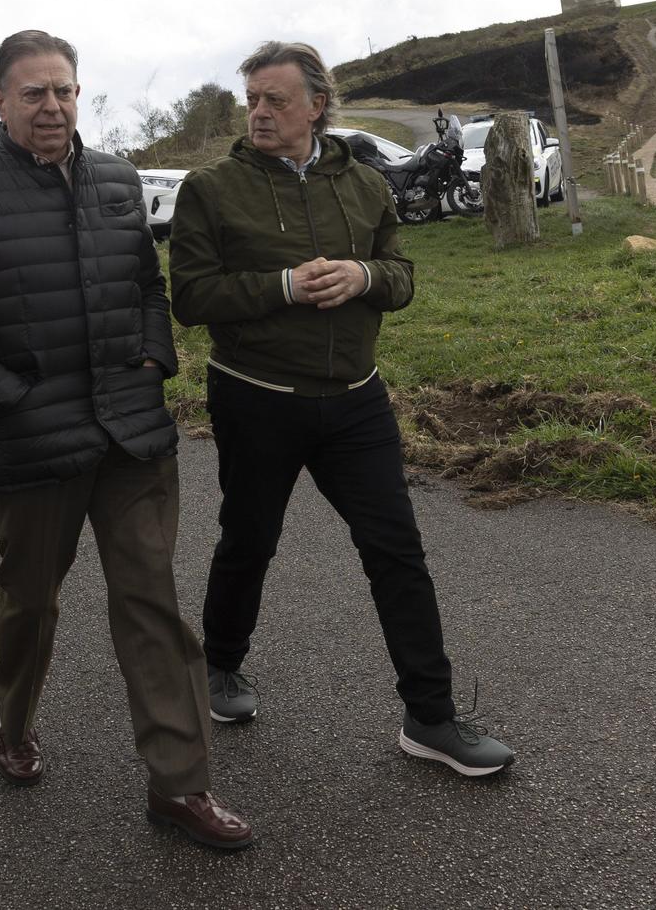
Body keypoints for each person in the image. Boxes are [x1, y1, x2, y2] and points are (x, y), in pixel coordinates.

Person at [0, 30, 252, 850]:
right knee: (30, 603)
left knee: (152, 606)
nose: (52, 106)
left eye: (63, 90)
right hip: (31, 444)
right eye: (33, 93)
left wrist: (155, 353)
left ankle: (180, 785)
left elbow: (144, 285)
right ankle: (13, 722)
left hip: (130, 434)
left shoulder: (118, 179)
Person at [168, 41, 516, 778]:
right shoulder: (211, 188)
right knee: (248, 540)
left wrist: (363, 274)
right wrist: (283, 286)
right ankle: (220, 666)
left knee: (397, 551)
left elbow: (403, 276)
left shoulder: (364, 184)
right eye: (252, 100)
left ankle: (431, 714)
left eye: (276, 100)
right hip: (256, 398)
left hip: (357, 401)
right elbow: (192, 297)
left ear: (317, 105)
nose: (260, 112)